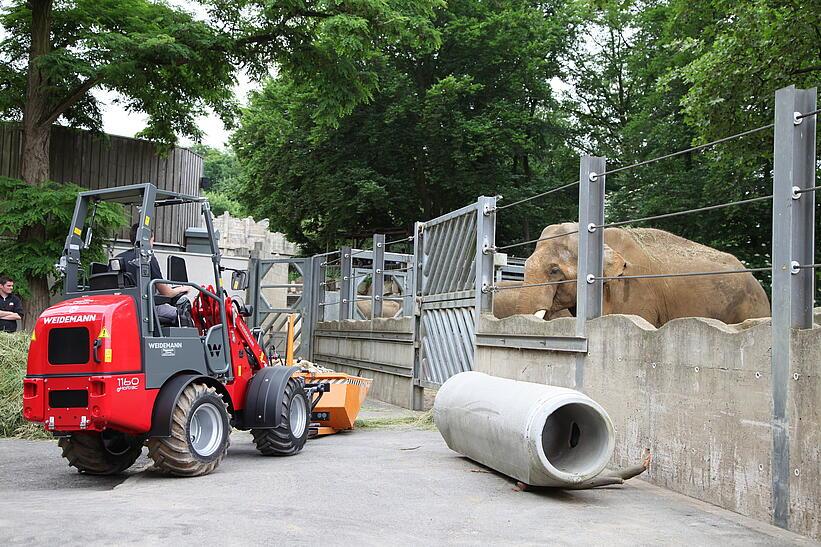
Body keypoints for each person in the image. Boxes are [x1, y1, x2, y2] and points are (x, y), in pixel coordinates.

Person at [116, 224, 193, 326]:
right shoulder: (147, 258)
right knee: (183, 314)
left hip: (123, 309)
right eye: (152, 240)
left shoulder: (118, 258)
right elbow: (167, 293)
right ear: (148, 239)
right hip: (145, 309)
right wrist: (182, 289)